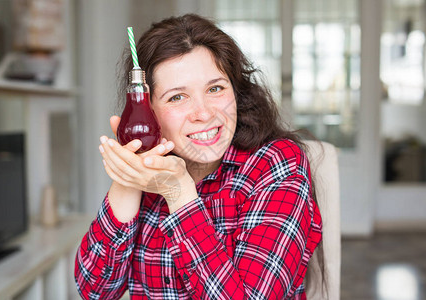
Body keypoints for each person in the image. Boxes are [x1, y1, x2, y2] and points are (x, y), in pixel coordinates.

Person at [75, 14, 322, 300]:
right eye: (177, 97)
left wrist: (178, 193)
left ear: (236, 92)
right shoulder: (148, 171)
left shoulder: (277, 164)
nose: (204, 114)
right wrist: (128, 179)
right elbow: (96, 291)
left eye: (215, 88)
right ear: (146, 109)